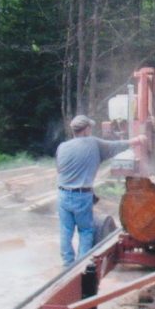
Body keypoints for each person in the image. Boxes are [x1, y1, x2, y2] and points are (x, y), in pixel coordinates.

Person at [56, 114, 146, 267]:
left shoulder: (62, 147)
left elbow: (59, 169)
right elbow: (115, 145)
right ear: (85, 130)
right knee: (85, 231)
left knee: (66, 231)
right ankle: (81, 267)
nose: (91, 130)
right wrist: (137, 141)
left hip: (62, 194)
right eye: (90, 127)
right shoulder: (93, 143)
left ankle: (67, 265)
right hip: (81, 196)